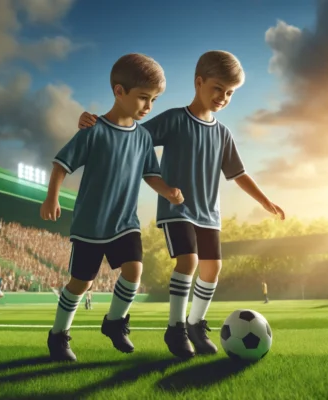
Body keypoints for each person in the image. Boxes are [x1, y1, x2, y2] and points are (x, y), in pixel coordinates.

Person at [77, 50, 285, 358]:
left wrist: (266, 201)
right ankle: (175, 329)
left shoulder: (223, 134)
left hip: (209, 214)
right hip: (177, 210)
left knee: (213, 268)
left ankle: (195, 324)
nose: (223, 97)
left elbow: (238, 174)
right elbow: (131, 133)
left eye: (230, 93)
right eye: (218, 88)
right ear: (199, 82)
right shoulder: (175, 119)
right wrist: (93, 125)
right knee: (188, 262)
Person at [41, 53, 184, 362]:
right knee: (82, 283)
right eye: (143, 98)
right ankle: (58, 336)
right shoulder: (93, 130)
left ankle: (115, 322)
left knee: (134, 271)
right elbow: (61, 164)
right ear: (119, 92)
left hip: (125, 223)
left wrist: (168, 191)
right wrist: (52, 197)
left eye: (154, 100)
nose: (149, 107)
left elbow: (152, 175)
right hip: (91, 225)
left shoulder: (144, 138)